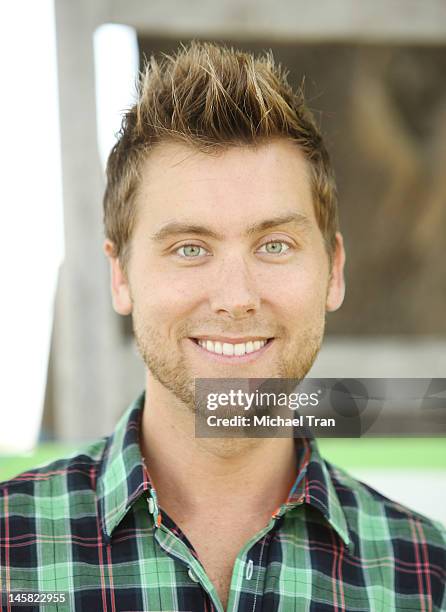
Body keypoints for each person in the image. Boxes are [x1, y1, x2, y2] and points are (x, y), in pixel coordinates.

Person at [1, 41, 445, 612]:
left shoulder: (425, 577)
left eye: (275, 244)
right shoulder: (12, 551)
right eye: (189, 248)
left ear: (333, 270)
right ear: (120, 277)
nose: (236, 298)